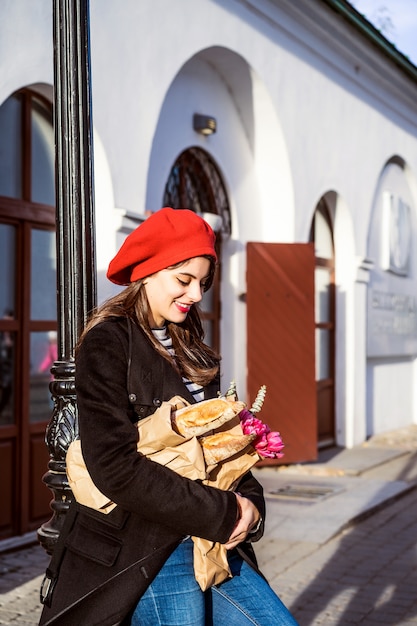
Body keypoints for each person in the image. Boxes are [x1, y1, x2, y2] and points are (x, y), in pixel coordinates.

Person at [39, 207, 298, 626]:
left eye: (202, 282)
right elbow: (115, 468)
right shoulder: (108, 341)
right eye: (184, 280)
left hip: (209, 541)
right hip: (144, 545)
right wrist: (223, 511)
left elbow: (221, 443)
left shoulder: (190, 343)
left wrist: (250, 505)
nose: (196, 294)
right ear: (149, 270)